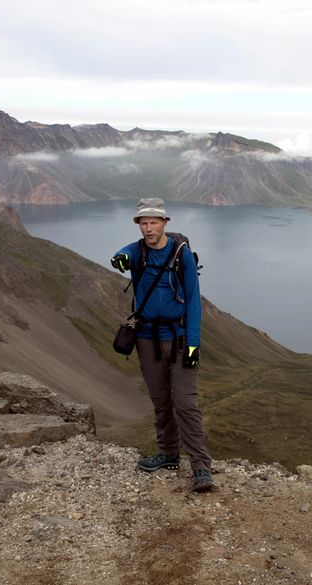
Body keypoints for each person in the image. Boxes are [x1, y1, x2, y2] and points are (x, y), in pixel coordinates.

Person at [110, 197, 214, 492]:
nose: (148, 228)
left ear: (165, 223)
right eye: (143, 223)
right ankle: (169, 454)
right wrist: (118, 258)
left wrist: (194, 345)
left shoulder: (182, 255)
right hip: (146, 340)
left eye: (154, 222)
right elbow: (122, 255)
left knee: (185, 403)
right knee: (161, 401)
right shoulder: (137, 251)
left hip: (180, 340)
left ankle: (201, 467)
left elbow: (194, 301)